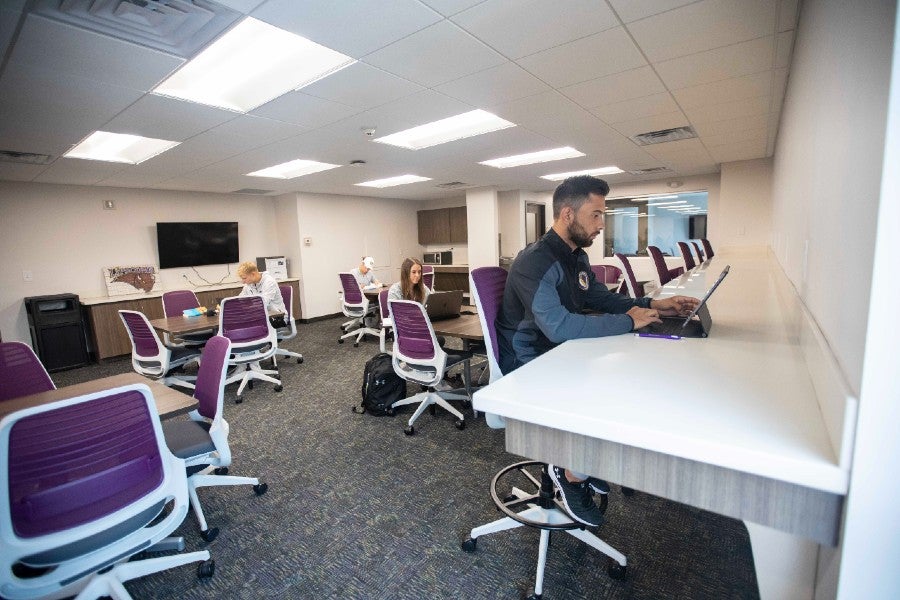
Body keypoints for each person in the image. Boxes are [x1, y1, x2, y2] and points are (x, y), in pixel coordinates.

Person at [496, 175, 700, 527]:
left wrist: (653, 305)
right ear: (567, 215)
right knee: (600, 389)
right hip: (527, 359)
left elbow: (599, 298)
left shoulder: (575, 257)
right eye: (595, 215)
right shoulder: (535, 261)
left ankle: (585, 459)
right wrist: (629, 322)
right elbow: (560, 326)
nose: (600, 225)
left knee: (619, 376)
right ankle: (569, 472)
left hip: (557, 350)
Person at [236, 261, 287, 328]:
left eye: (244, 278)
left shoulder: (269, 282)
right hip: (260, 316)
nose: (243, 281)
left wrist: (247, 308)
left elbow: (263, 304)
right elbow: (239, 300)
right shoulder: (248, 285)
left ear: (253, 274)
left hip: (277, 318)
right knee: (238, 324)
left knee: (246, 326)